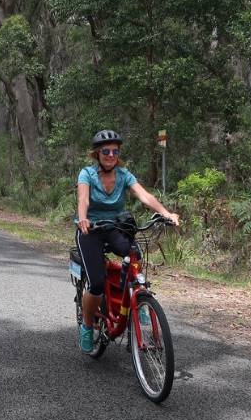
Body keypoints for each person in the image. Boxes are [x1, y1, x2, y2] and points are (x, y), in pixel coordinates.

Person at [75, 129, 180, 353]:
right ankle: (87, 326)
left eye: (115, 151)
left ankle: (133, 298)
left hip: (114, 228)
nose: (110, 154)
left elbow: (145, 196)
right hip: (91, 230)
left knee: (134, 254)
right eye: (105, 150)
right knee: (96, 284)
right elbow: (83, 199)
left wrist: (166, 213)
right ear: (97, 153)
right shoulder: (87, 174)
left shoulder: (124, 175)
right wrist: (83, 218)